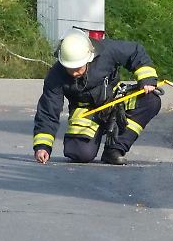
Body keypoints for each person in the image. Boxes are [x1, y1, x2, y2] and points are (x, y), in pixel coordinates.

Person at [32, 32, 162, 165]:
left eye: (78, 67)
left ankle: (114, 149)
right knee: (80, 154)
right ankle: (86, 143)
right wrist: (42, 146)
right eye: (70, 68)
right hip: (85, 111)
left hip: (115, 102)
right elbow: (48, 111)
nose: (75, 73)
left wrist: (147, 79)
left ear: (89, 57)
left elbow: (135, 51)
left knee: (150, 100)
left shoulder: (107, 51)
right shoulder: (56, 75)